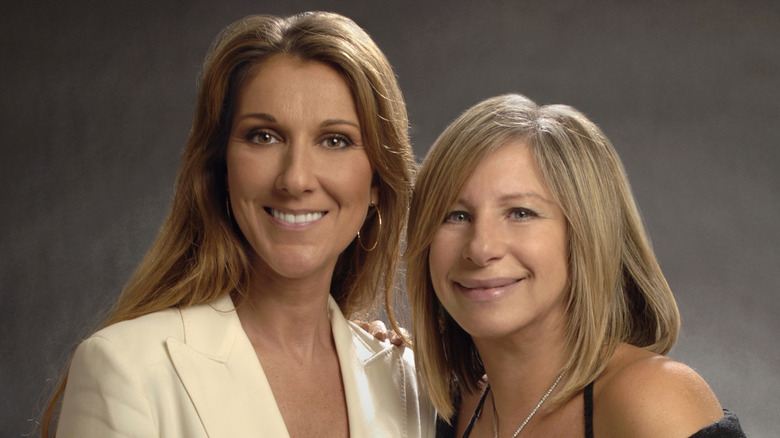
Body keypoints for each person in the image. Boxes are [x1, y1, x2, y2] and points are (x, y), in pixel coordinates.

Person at [42, 12, 434, 437]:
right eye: (264, 136)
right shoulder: (125, 369)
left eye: (334, 141)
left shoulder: (410, 384)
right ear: (221, 166)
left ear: (377, 180)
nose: (295, 179)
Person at [405, 94, 745, 437]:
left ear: (586, 234)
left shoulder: (653, 398)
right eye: (456, 215)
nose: (480, 249)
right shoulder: (446, 410)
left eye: (521, 213)